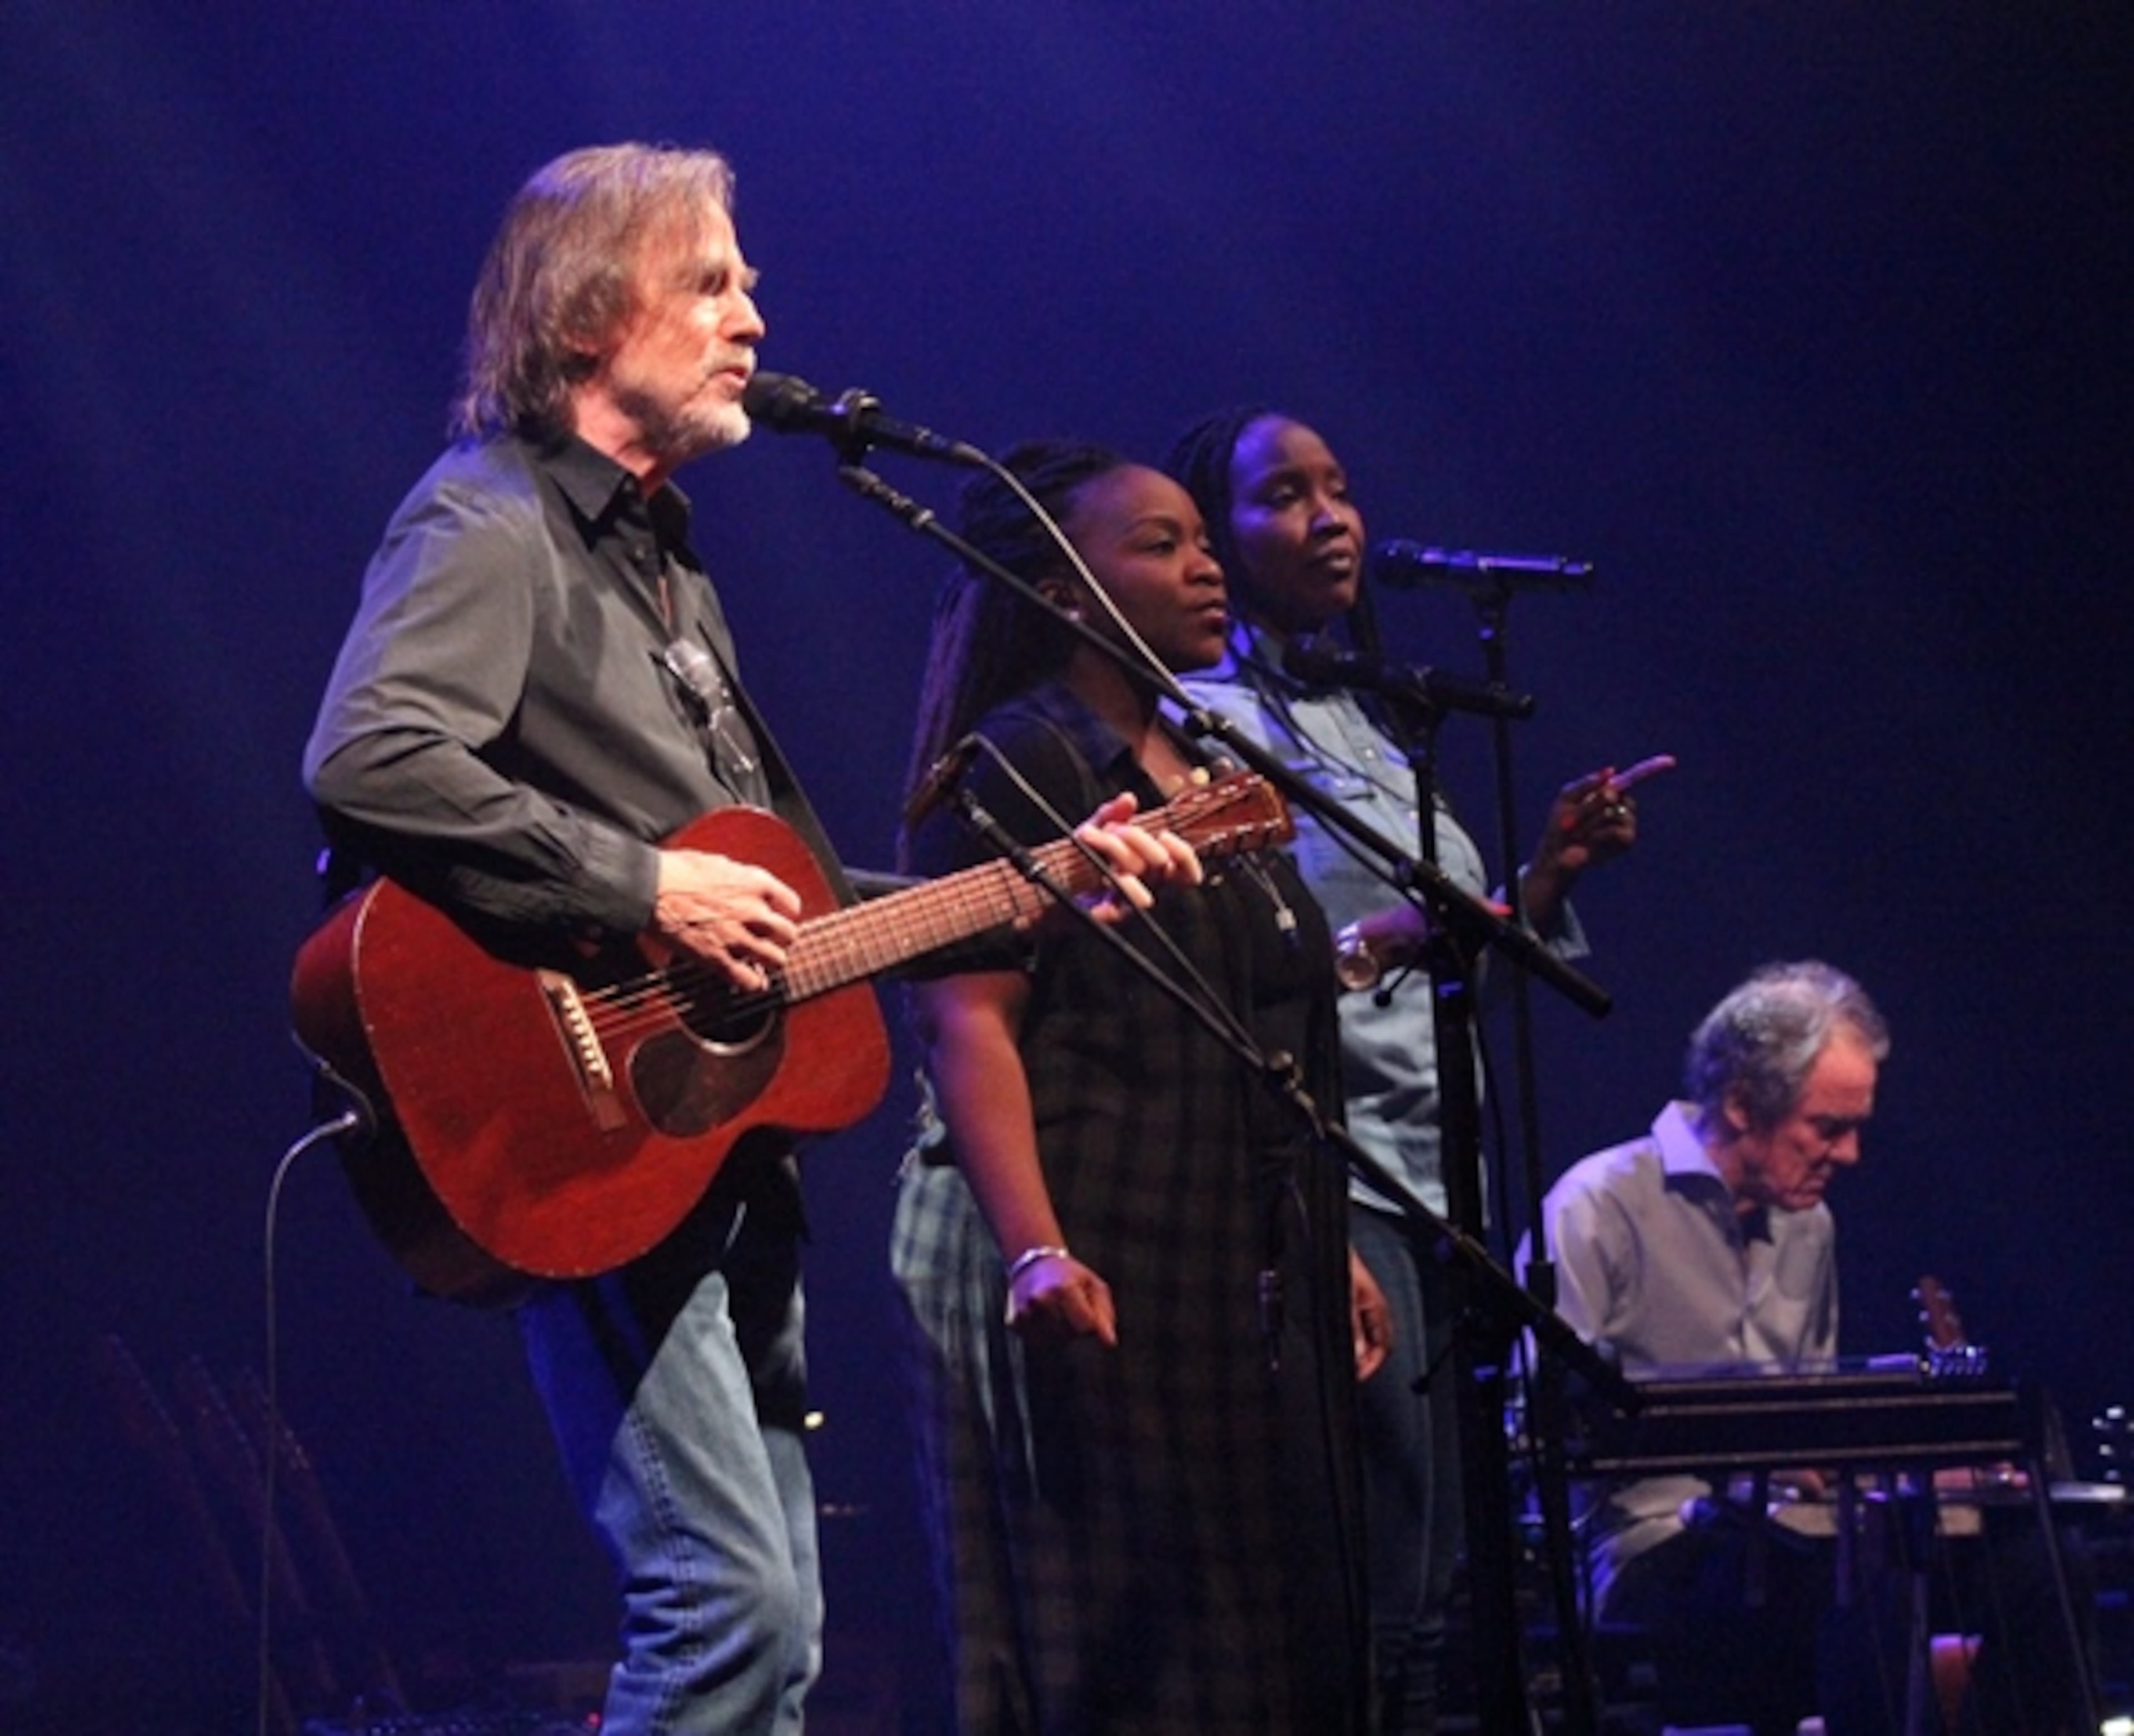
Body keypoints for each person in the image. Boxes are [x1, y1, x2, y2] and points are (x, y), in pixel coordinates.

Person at [301, 145, 1188, 1736]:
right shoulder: (488, 517)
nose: (754, 317)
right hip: (569, 1119)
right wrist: (642, 888)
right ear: (587, 315)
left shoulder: (664, 560)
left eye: (749, 284)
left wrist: (1039, 882)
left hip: (705, 1144)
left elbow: (784, 901)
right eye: (711, 281)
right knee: (726, 1609)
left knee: (783, 1638)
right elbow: (371, 755)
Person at [1164, 407, 1655, 1733]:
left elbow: (1437, 967)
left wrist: (1548, 873)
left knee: (1439, 1584)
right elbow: (1236, 968)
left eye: (1339, 487)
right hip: (1338, 1172)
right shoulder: (1198, 722)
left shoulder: (1379, 725)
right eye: (1284, 494)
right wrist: (1303, 1205)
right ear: (1219, 536)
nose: (1330, 516)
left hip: (1446, 1179)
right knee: (1372, 1578)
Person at [889, 440, 1377, 1734]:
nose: (1206, 564)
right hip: (1090, 1230)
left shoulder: (1209, 770)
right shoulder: (1023, 761)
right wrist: (1035, 1246)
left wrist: (1319, 1237)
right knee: (1119, 1656)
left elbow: (1262, 1020)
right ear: (1060, 589)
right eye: (1160, 545)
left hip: (1214, 1242)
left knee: (1248, 1651)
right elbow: (965, 1020)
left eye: (1202, 539)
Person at [1536, 960, 1890, 1734]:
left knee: (2022, 1563)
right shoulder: (1600, 1204)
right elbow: (1537, 1429)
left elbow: (1813, 1424)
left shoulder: (1811, 1226)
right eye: (1828, 1128)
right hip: (1643, 1549)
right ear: (1740, 1102)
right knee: (1810, 1595)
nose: (1850, 1155)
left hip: (1782, 1537)